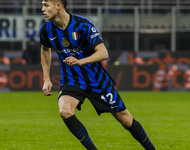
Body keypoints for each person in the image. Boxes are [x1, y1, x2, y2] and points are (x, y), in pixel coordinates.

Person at [40, 0, 156, 149]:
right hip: (72, 79)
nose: (42, 9)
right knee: (64, 111)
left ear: (58, 6)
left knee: (125, 120)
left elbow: (103, 53)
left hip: (97, 80)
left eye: (46, 5)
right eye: (42, 5)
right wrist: (46, 79)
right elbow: (45, 50)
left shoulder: (83, 25)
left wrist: (81, 61)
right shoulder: (46, 29)